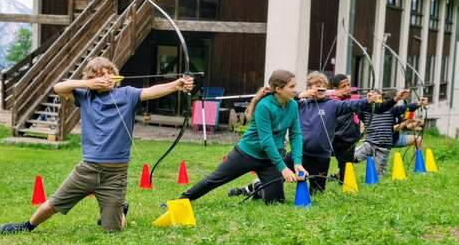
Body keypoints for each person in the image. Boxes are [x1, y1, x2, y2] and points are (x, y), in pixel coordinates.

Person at [0, 56, 194, 234]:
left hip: (115, 173)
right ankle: (26, 226)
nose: (106, 78)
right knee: (51, 205)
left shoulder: (127, 94)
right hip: (87, 169)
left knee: (113, 230)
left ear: (116, 75)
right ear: (92, 80)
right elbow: (59, 87)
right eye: (100, 75)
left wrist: (176, 85)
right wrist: (88, 84)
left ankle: (120, 211)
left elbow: (151, 92)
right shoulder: (85, 97)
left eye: (109, 73)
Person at [230, 72, 408, 196]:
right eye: (316, 85)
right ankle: (247, 190)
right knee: (273, 179)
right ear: (309, 88)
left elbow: (357, 105)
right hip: (299, 155)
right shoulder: (298, 103)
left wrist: (371, 100)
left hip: (321, 157)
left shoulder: (333, 105)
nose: (320, 88)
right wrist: (303, 94)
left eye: (323, 85)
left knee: (317, 193)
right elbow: (285, 97)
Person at [180, 70, 307, 204]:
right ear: (278, 89)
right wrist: (283, 168)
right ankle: (182, 199)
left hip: (270, 159)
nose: (296, 90)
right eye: (292, 86)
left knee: (276, 202)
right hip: (247, 153)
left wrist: (297, 162)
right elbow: (266, 141)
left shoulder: (293, 105)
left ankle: (258, 187)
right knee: (215, 179)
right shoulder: (264, 106)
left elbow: (296, 134)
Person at [354, 91, 428, 176]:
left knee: (378, 175)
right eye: (372, 98)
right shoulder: (364, 111)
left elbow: (407, 108)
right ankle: (339, 174)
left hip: (384, 146)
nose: (375, 100)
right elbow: (353, 108)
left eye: (378, 98)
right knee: (350, 157)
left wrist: (419, 103)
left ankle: (419, 170)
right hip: (369, 144)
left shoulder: (392, 110)